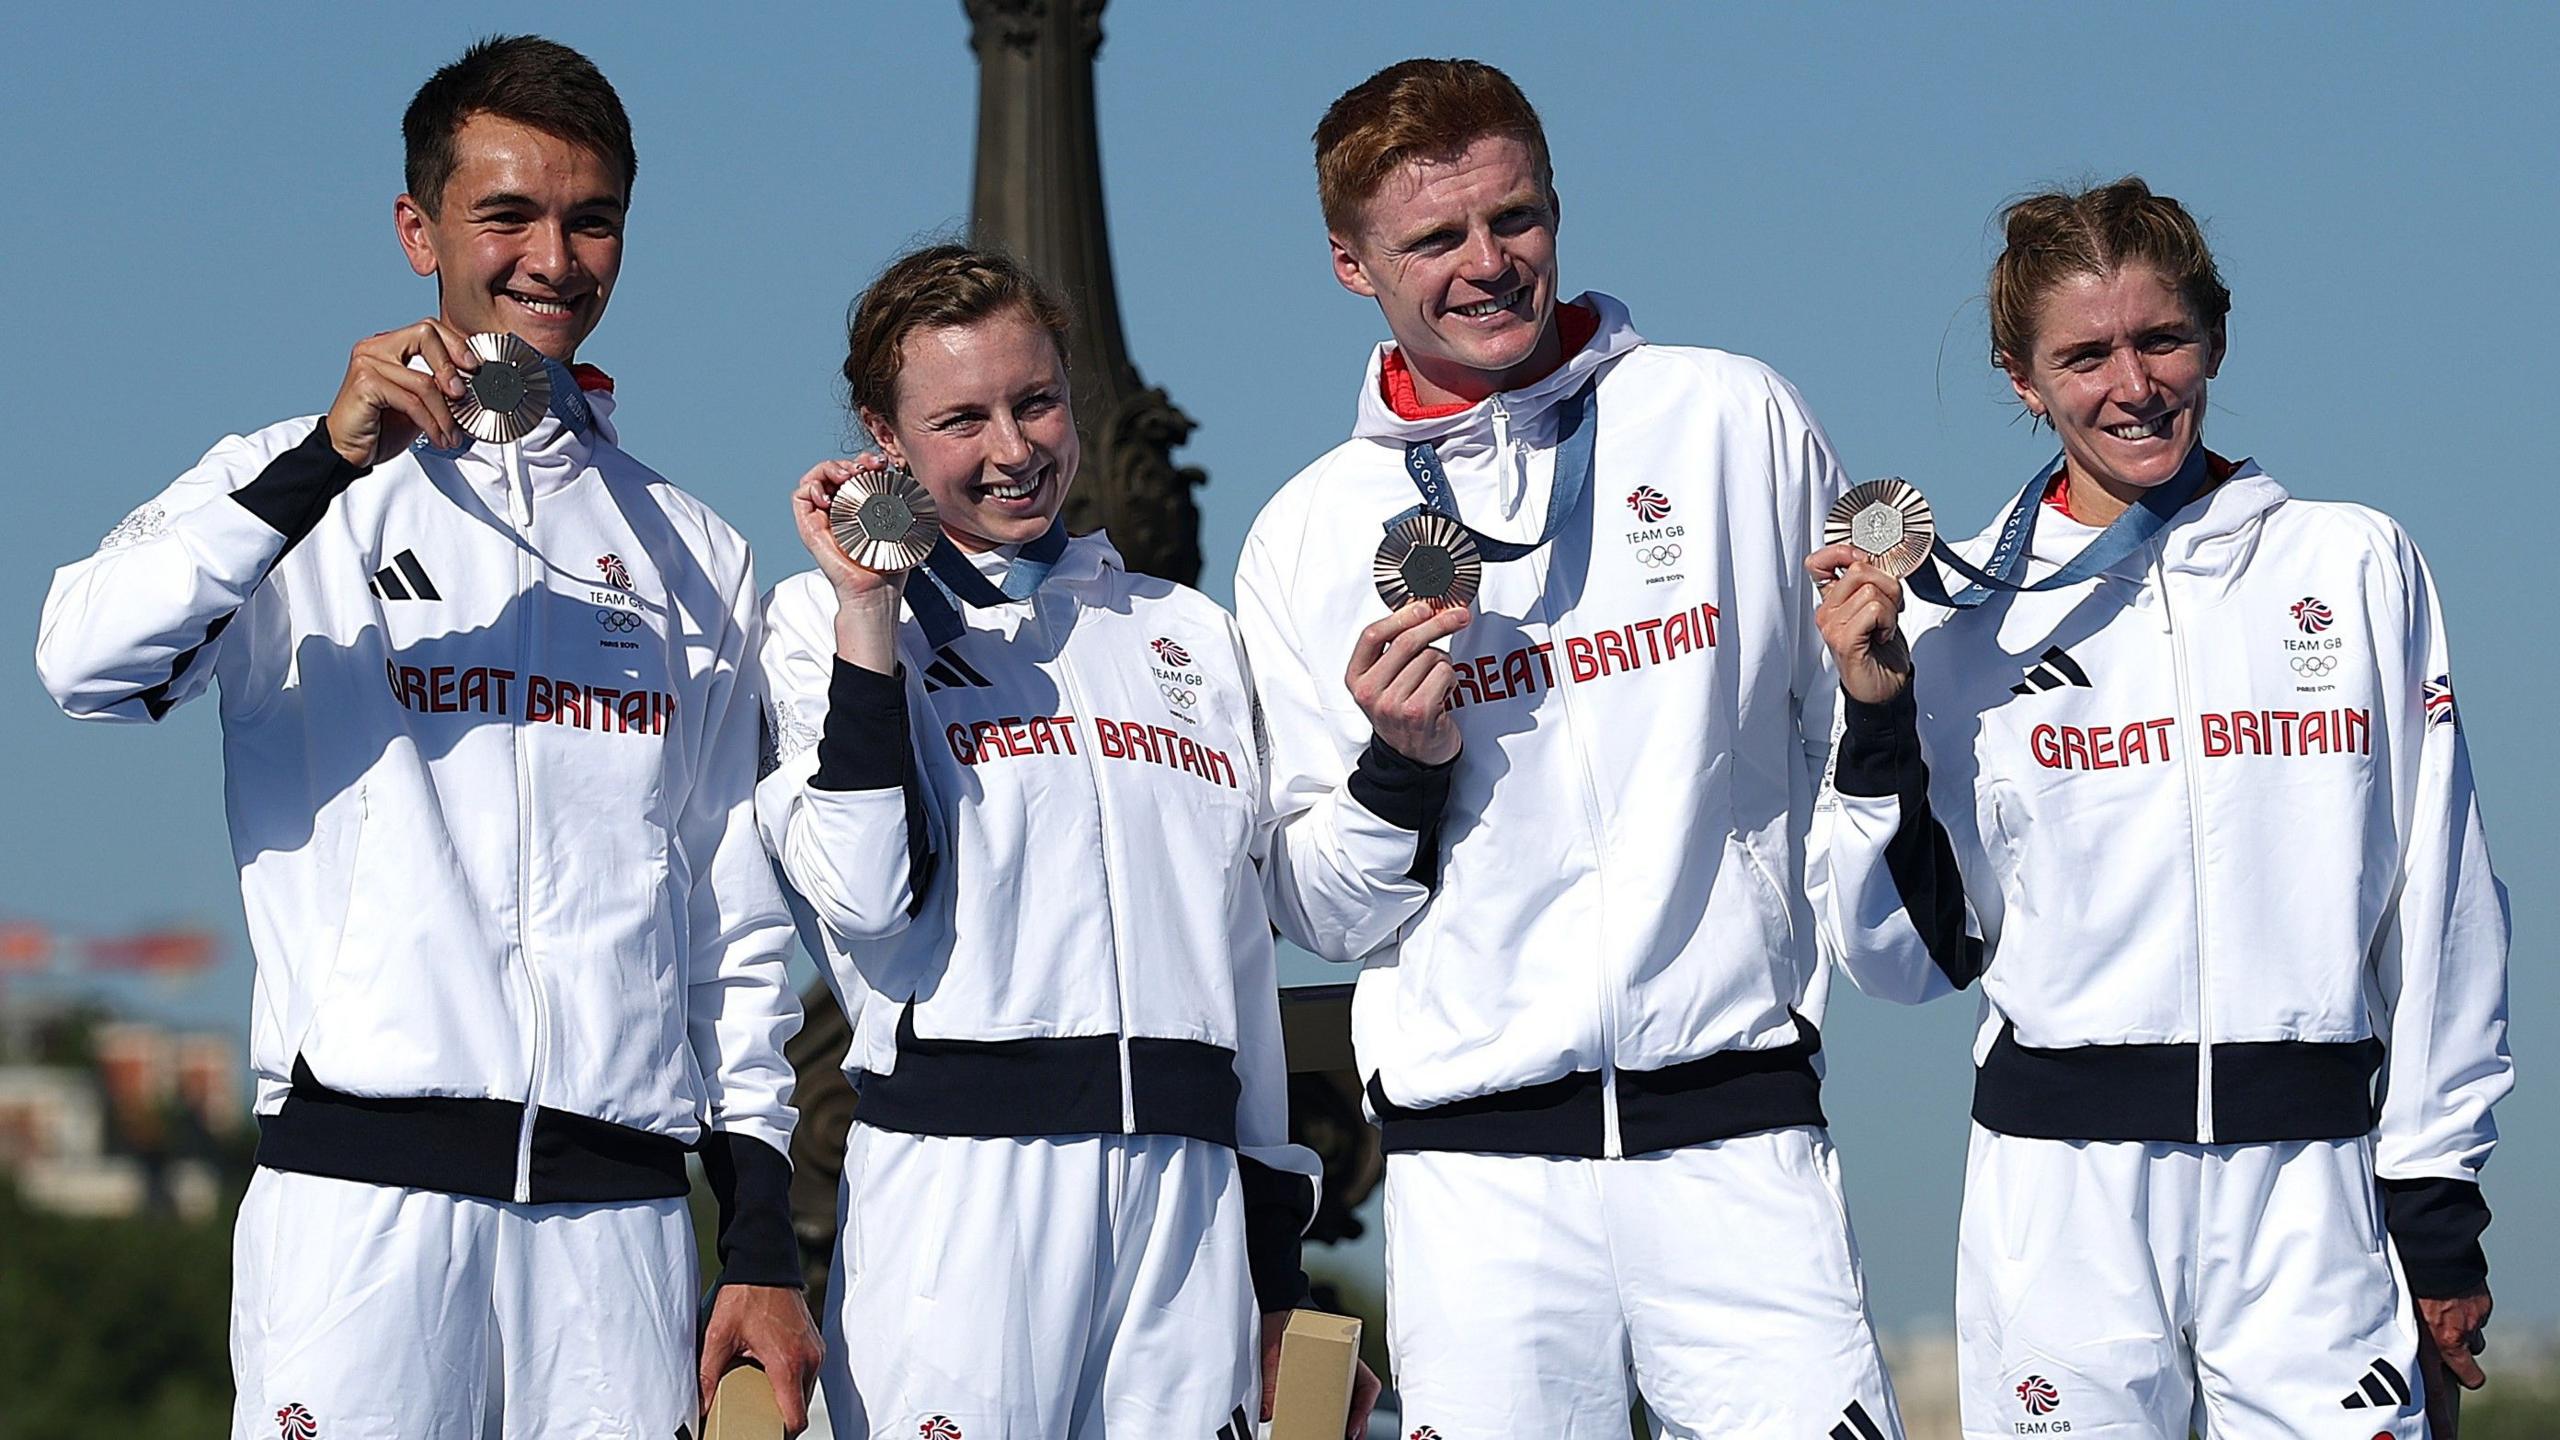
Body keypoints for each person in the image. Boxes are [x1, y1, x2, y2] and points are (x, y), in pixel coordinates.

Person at [34, 35, 821, 1439]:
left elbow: (738, 925)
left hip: (618, 1227)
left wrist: (758, 1237)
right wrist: (324, 465)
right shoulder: (289, 483)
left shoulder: (695, 552)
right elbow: (84, 662)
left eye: (591, 220)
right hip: (359, 1216)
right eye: (506, 214)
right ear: (420, 231)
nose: (552, 257)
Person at [1235, 59, 1905, 1439]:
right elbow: (1318, 907)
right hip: (1481, 1180)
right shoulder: (1308, 532)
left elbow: (1842, 740)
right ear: (1351, 264)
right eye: (1435, 239)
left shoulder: (1731, 416)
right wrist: (1397, 768)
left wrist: (1884, 730)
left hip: (1737, 1142)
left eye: (1515, 217)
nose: (1489, 263)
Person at [1807, 177, 2509, 1439]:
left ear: (2214, 339)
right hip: (2062, 1205)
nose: (2132, 384)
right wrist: (1874, 720)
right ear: (2023, 380)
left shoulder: (2351, 563)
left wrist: (2437, 1197)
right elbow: (1906, 964)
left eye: (2160, 339)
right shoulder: (1958, 619)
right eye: (2084, 355)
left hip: (2309, 1195)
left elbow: (2442, 899)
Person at [755, 243, 1377, 1440]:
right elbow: (867, 892)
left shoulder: (1185, 632)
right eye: (961, 419)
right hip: (965, 1194)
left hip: (1187, 1208)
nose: (1013, 448)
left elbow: (1240, 971)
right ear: (883, 437)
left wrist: (1275, 1277)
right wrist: (867, 615)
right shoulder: (813, 625)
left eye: (1035, 400)